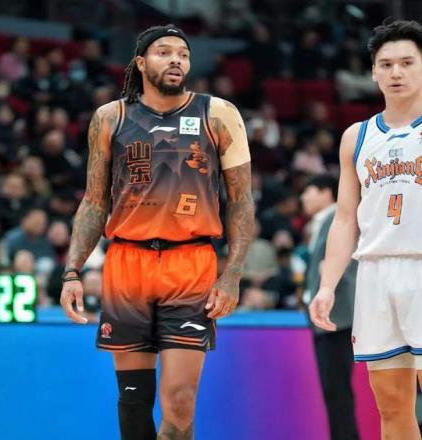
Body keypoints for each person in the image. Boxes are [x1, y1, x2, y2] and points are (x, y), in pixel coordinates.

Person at [59, 24, 254, 440]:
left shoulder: (218, 113)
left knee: (179, 404)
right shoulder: (110, 117)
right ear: (141, 63)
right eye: (164, 52)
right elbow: (94, 201)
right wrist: (72, 271)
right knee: (133, 399)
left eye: (183, 54)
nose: (176, 60)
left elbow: (241, 201)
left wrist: (233, 273)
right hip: (127, 262)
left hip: (191, 263)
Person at [309, 20, 422, 440]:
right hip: (375, 273)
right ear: (373, 72)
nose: (396, 72)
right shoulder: (355, 137)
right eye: (386, 64)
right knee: (391, 405)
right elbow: (344, 219)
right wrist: (327, 285)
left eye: (407, 62)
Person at [301, 175, 359, 440]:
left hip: (337, 316)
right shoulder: (321, 222)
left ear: (326, 192)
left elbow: (341, 263)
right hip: (327, 316)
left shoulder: (337, 218)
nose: (304, 197)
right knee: (334, 391)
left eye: (309, 191)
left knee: (337, 391)